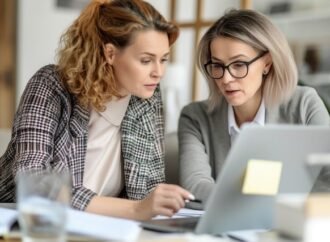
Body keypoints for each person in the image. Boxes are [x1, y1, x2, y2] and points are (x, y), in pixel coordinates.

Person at [0, 0, 194, 220]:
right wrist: (136, 209)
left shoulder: (146, 97)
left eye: (164, 59)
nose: (158, 72)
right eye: (146, 60)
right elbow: (34, 178)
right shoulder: (51, 85)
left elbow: (149, 186)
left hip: (105, 226)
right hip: (28, 223)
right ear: (110, 53)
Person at [178, 9, 330, 205]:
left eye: (239, 64)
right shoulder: (195, 117)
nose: (226, 78)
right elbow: (195, 186)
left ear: (267, 63)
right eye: (217, 65)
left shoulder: (304, 103)